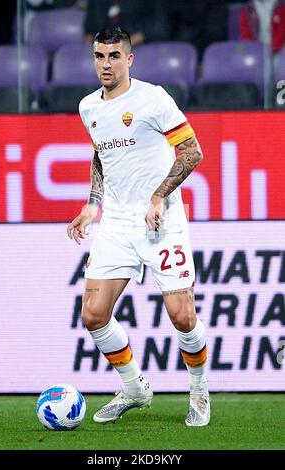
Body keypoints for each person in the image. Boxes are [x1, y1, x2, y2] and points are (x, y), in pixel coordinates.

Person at [67, 26, 210, 427]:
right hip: (116, 221)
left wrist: (159, 196)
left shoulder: (153, 97)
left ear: (130, 58)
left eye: (114, 56)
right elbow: (100, 155)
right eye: (99, 56)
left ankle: (198, 387)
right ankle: (134, 387)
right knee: (94, 315)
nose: (106, 64)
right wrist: (93, 204)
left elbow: (191, 151)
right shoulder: (88, 107)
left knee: (182, 316)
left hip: (161, 220)